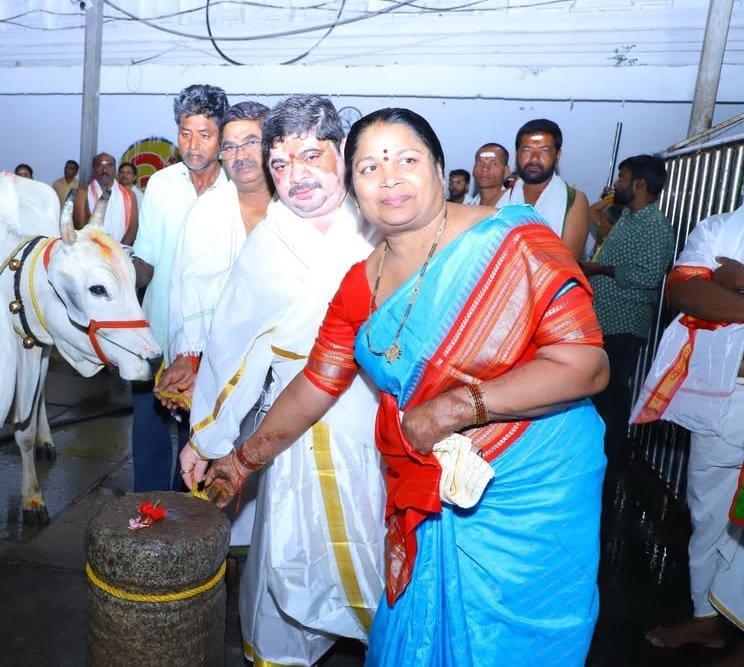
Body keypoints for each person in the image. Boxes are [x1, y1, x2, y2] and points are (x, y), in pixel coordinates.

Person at [198, 108, 608, 665]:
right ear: (353, 187)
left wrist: (460, 406)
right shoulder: (359, 283)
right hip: (425, 485)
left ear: (439, 169)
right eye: (369, 167)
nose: (389, 179)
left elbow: (585, 366)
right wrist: (243, 459)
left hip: (530, 487)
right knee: (411, 633)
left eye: (406, 160)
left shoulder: (514, 242)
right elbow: (316, 382)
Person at [179, 95, 386, 665]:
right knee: (294, 555)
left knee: (384, 551)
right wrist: (208, 438)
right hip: (297, 428)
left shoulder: (383, 223)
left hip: (384, 419)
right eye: (280, 164)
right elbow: (234, 349)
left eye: (311, 156)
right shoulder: (269, 244)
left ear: (342, 152)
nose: (296, 177)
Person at [633, 205, 744, 661]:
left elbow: (714, 291)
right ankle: (707, 617)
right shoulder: (720, 229)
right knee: (710, 511)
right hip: (729, 397)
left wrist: (736, 282)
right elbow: (685, 291)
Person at [159, 100, 272, 550]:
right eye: (229, 146)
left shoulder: (298, 207)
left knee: (279, 496)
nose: (240, 155)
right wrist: (188, 357)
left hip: (289, 373)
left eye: (251, 142)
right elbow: (185, 289)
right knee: (217, 480)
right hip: (219, 368)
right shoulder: (206, 213)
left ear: (272, 146)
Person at [130, 84, 228, 492]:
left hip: (210, 341)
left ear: (222, 135)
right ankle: (146, 512)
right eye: (185, 133)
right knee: (148, 435)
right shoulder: (161, 184)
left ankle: (188, 513)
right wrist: (113, 279)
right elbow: (146, 259)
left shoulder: (238, 190)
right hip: (156, 333)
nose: (193, 144)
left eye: (204, 134)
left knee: (199, 439)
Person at [582, 155, 675, 452]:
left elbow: (648, 276)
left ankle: (612, 459)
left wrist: (600, 269)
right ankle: (594, 453)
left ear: (639, 184)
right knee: (598, 393)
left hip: (624, 326)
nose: (617, 183)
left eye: (622, 177)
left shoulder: (656, 226)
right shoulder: (627, 217)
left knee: (612, 395)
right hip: (604, 320)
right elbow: (594, 211)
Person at [497, 118, 591, 260]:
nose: (534, 159)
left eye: (544, 151)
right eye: (527, 150)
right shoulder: (502, 198)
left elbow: (567, 263)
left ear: (557, 156)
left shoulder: (574, 200)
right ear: (517, 154)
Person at [72, 152, 137, 244]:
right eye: (99, 165)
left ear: (115, 170)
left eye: (109, 165)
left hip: (121, 249)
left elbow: (132, 228)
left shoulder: (129, 195)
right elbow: (80, 227)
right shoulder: (82, 193)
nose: (104, 170)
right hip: (91, 248)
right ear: (93, 170)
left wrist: (119, 249)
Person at [469, 142, 510, 207]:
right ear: (473, 170)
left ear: (506, 171)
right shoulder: (467, 207)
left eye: (494, 164)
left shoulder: (516, 204)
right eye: (480, 163)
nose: (484, 168)